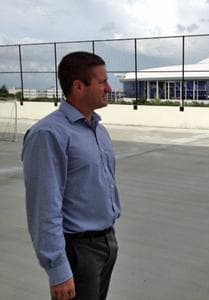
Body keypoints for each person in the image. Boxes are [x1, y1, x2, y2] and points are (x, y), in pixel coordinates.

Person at [22, 51, 121, 300]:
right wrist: (58, 269)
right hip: (77, 251)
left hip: (106, 243)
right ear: (78, 86)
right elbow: (44, 207)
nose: (109, 88)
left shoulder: (99, 131)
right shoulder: (49, 134)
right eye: (102, 82)